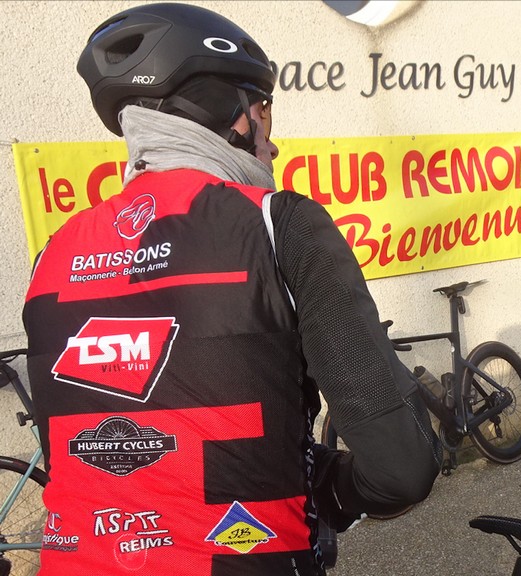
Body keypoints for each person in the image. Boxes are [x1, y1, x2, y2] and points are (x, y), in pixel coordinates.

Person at [22, 3, 439, 575]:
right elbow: (402, 469)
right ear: (226, 111)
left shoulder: (52, 254)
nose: (271, 142)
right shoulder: (281, 224)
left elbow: (93, 446)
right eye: (264, 112)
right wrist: (327, 489)